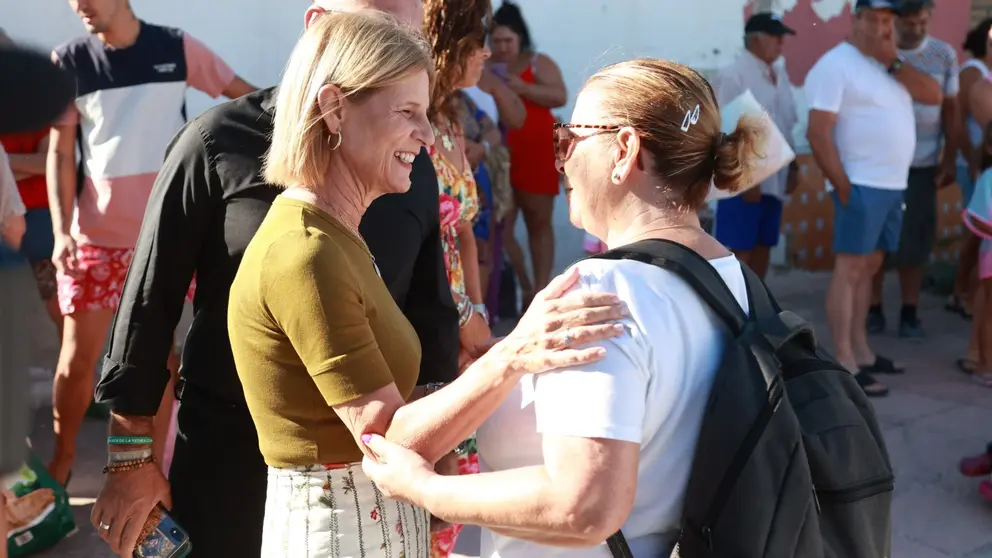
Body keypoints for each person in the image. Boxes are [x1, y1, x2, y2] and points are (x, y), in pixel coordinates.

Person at [226, 11, 625, 557]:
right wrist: (511, 357)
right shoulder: (307, 250)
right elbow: (386, 437)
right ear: (333, 108)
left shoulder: (334, 236)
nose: (426, 132)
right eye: (408, 112)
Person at [89, 1, 458, 555]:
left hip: (371, 481)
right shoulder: (217, 140)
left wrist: (437, 470)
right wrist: (129, 458)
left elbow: (429, 310)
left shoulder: (410, 162)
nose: (399, 51)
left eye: (410, 34)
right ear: (318, 26)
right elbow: (148, 304)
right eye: (377, 31)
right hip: (229, 461)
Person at [361, 57, 763, 558]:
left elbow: (583, 506)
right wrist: (507, 364)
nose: (563, 159)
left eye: (570, 139)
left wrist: (426, 489)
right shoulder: (735, 280)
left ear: (624, 151)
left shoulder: (602, 290)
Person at [45, 0, 256, 486]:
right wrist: (60, 232)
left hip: (169, 236)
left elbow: (246, 99)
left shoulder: (176, 47)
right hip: (94, 239)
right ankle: (60, 463)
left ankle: (153, 473)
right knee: (78, 363)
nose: (78, 5)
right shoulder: (70, 61)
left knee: (157, 362)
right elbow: (60, 151)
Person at [804, 0, 941, 397]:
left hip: (891, 185)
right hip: (860, 185)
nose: (883, 28)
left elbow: (933, 95)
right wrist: (842, 186)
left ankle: (862, 350)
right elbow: (818, 132)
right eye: (876, 19)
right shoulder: (835, 65)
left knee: (871, 267)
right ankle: (843, 358)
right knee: (849, 270)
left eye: (888, 21)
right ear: (856, 19)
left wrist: (893, 62)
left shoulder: (888, 65)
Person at [867, 0, 961, 339]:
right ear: (895, 21)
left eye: (923, 21)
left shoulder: (944, 54)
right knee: (875, 243)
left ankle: (909, 312)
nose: (917, 28)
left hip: (923, 167)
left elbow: (951, 109)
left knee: (916, 243)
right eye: (909, 23)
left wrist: (950, 157)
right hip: (878, 167)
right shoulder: (876, 54)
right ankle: (873, 308)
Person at [489, 1, 567, 312]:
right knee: (502, 229)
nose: (503, 47)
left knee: (539, 223)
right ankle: (524, 284)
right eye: (496, 41)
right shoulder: (483, 65)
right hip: (500, 156)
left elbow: (560, 95)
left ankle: (541, 293)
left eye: (508, 40)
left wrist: (523, 87)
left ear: (521, 38)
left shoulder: (537, 62)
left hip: (536, 152)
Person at [711, 12, 799, 279]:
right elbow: (725, 129)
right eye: (775, 37)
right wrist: (748, 179)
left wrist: (794, 166)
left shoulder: (779, 74)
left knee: (764, 244)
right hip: (744, 179)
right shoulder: (733, 74)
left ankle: (757, 311)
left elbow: (785, 122)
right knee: (739, 249)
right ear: (755, 40)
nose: (781, 44)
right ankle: (736, 313)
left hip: (775, 174)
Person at [955, 19, 992, 320]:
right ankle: (961, 293)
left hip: (982, 164)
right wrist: (972, 161)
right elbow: (961, 121)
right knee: (976, 233)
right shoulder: (975, 74)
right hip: (980, 167)